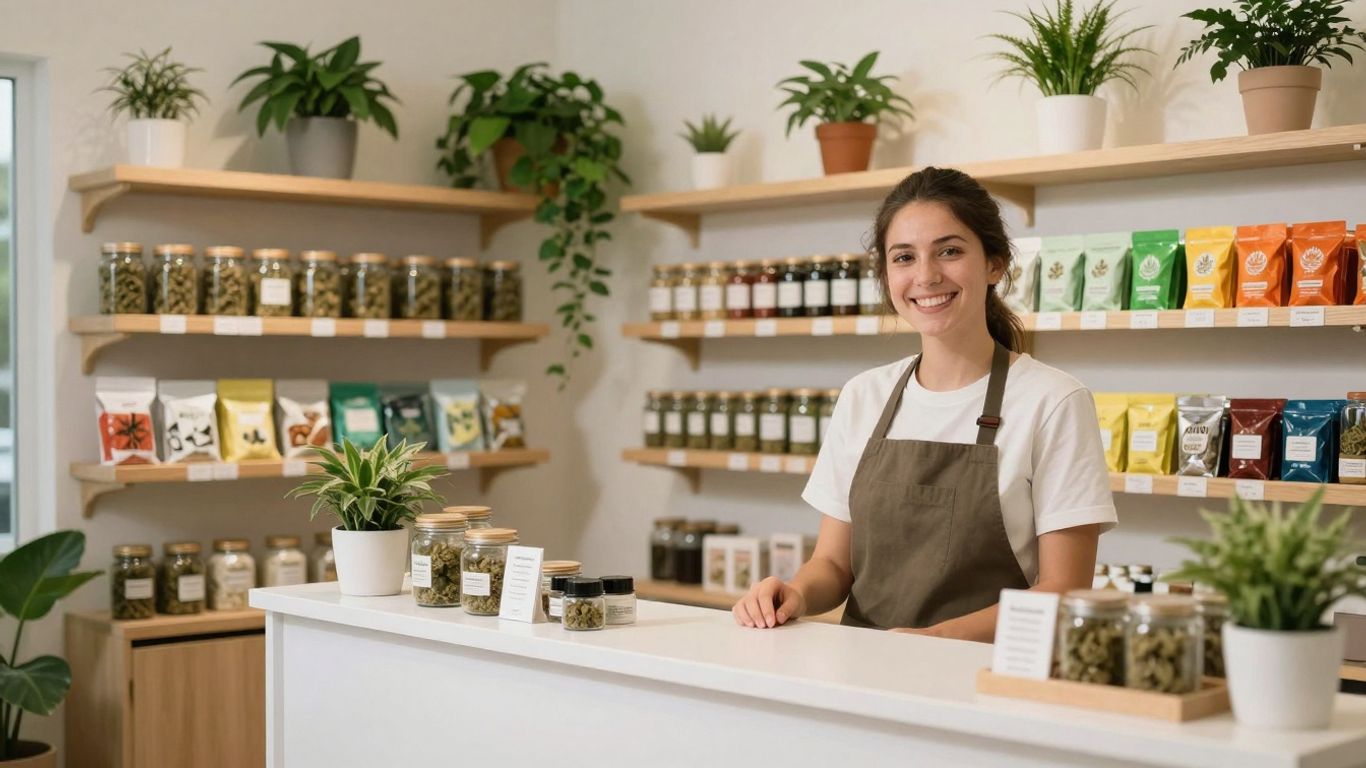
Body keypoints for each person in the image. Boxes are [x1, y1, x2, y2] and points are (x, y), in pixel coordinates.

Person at [732, 167, 1117, 641]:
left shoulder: (1053, 401)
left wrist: (934, 642)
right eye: (904, 257)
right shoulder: (864, 396)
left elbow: (1064, 591)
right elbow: (832, 563)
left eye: (949, 251)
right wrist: (795, 592)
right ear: (886, 275)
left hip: (983, 670)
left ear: (995, 264)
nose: (926, 276)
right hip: (863, 667)